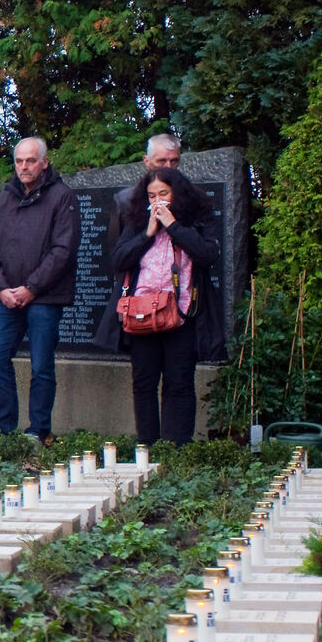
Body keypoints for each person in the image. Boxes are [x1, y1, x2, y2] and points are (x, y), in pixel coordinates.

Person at [104, 167, 222, 443]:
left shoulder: (197, 219)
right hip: (141, 314)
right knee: (143, 384)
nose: (157, 201)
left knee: (178, 383)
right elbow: (119, 260)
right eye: (152, 195)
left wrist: (173, 226)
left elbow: (208, 255)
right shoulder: (137, 220)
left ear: (177, 193)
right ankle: (147, 448)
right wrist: (147, 233)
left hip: (181, 315)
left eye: (164, 194)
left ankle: (175, 449)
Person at [0, 136, 79, 440]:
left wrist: (31, 288)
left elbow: (63, 250)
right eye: (19, 161)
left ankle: (37, 431)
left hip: (44, 298)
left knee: (41, 367)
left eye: (31, 160)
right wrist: (1, 289)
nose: (24, 166)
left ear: (45, 163)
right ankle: (1, 426)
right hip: (6, 298)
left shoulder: (62, 197)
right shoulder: (4, 198)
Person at [89, 133, 185, 349]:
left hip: (181, 300)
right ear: (147, 161)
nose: (168, 167)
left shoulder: (191, 199)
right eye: (161, 161)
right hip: (140, 301)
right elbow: (118, 253)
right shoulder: (127, 201)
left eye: (174, 161)